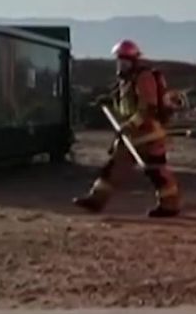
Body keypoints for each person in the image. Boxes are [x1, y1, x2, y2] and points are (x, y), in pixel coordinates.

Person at [73, 40, 181, 218]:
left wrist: (130, 125)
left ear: (134, 61)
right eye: (119, 60)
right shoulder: (126, 81)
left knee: (156, 171)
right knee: (113, 167)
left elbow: (148, 108)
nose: (121, 64)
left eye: (125, 61)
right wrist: (109, 103)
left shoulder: (144, 78)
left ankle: (170, 205)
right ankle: (96, 200)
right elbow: (126, 108)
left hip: (149, 135)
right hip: (132, 135)